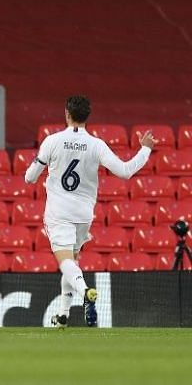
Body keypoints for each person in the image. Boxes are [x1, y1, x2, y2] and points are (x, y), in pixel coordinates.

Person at [24, 95, 155, 327]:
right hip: (84, 214)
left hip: (58, 213)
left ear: (67, 113)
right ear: (87, 117)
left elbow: (29, 177)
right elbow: (125, 171)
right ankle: (63, 315)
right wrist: (145, 150)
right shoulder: (97, 145)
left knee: (64, 260)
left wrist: (41, 169)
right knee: (72, 259)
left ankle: (85, 291)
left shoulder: (52, 141)